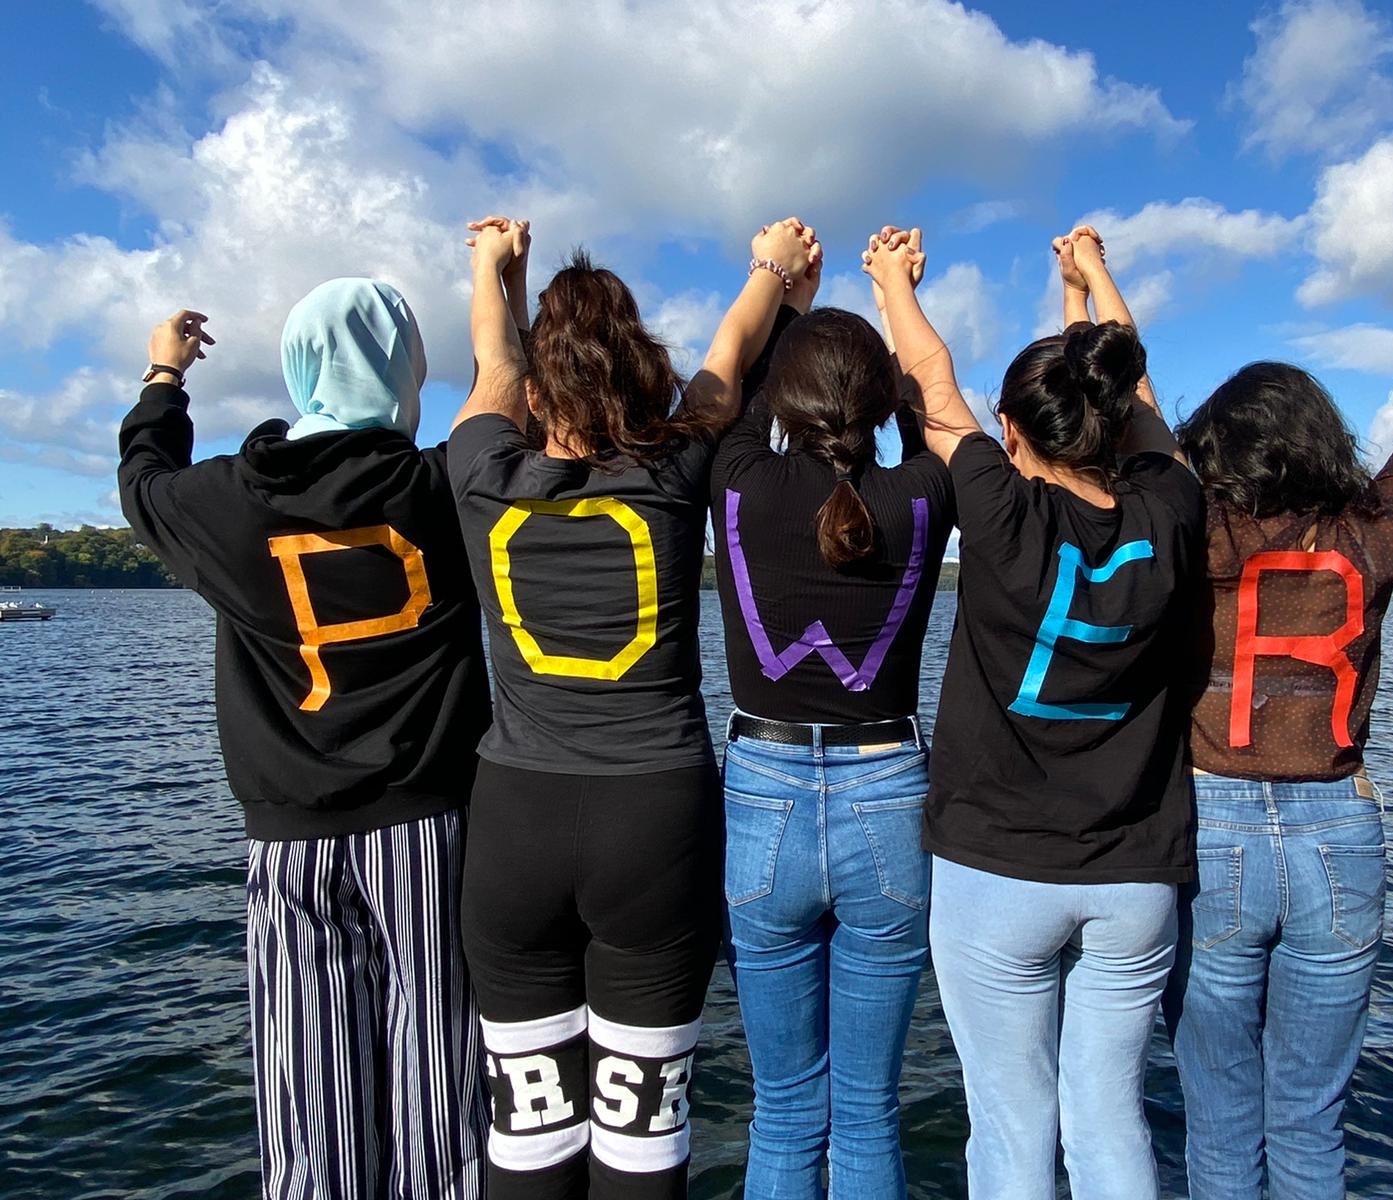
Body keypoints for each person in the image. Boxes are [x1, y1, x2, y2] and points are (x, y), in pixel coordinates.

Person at [447, 214, 816, 1200]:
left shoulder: (480, 473)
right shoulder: (678, 462)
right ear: (637, 363)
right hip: (655, 818)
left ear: (537, 389)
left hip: (515, 819)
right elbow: (731, 350)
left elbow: (491, 363)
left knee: (528, 1123)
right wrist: (771, 267)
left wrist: (497, 271)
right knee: (641, 1119)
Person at [117, 280, 493, 1199]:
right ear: (406, 370)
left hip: (288, 836)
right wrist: (498, 294)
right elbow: (499, 412)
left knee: (306, 1098)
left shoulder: (225, 501)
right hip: (429, 827)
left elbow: (140, 483)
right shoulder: (443, 486)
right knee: (442, 1078)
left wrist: (165, 374)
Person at [864, 224, 1205, 1200]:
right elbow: (1131, 392)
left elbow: (930, 379)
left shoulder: (999, 510)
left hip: (994, 877)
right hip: (1135, 880)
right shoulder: (1168, 513)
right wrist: (1089, 280)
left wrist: (891, 281)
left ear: (1010, 432)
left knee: (1011, 1127)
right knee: (1108, 1121)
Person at [1164, 325, 1393, 1199]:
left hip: (1215, 827)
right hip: (1341, 831)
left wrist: (1084, 295)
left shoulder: (1196, 537)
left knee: (1220, 1122)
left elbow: (1144, 433)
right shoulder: (1369, 539)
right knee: (1310, 1121)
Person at [709, 231, 956, 1199]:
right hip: (887, 797)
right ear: (883, 404)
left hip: (761, 799)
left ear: (781, 403)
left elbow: (728, 366)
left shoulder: (734, 480)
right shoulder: (925, 496)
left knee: (782, 1110)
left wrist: (776, 278)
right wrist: (891, 289)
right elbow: (936, 411)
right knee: (866, 1111)